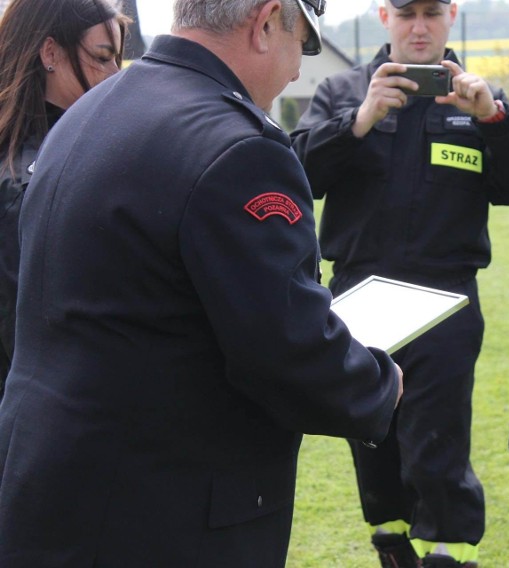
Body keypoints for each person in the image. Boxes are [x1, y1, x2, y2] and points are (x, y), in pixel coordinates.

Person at [0, 1, 404, 566]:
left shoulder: (92, 110)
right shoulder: (239, 147)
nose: (297, 69)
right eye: (304, 44)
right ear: (265, 23)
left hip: (49, 488)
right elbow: (286, 351)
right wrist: (380, 384)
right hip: (162, 514)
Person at [291, 1, 509, 566]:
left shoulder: (480, 96)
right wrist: (358, 121)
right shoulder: (344, 91)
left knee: (438, 447)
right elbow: (296, 176)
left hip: (445, 300)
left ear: (451, 15)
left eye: (431, 12)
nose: (419, 26)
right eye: (406, 12)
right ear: (384, 16)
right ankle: (391, 547)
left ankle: (449, 554)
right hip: (359, 298)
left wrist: (492, 119)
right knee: (372, 443)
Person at [0, 0, 129, 397]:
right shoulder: (30, 177)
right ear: (51, 53)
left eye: (117, 61)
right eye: (102, 58)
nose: (113, 76)